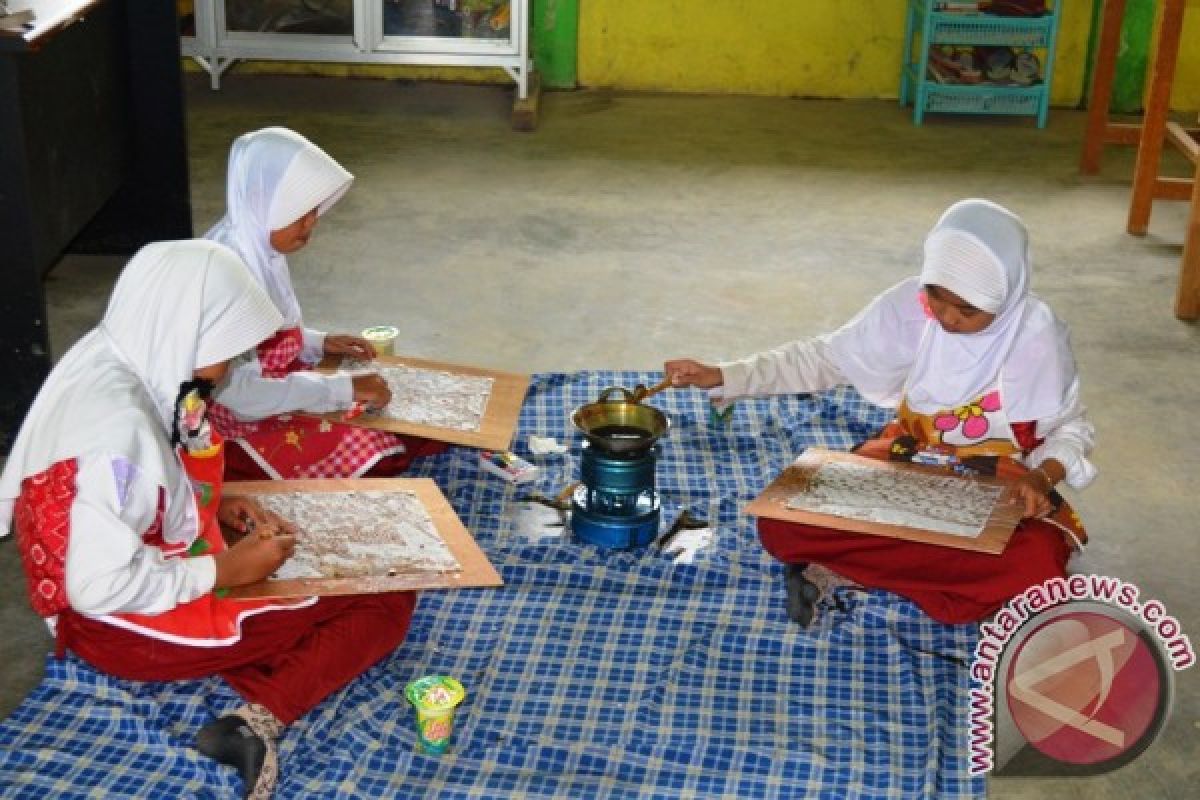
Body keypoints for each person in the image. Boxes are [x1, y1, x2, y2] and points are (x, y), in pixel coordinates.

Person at [0, 241, 418, 799]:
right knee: (385, 593)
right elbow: (94, 587)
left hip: (151, 564)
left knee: (319, 584)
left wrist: (211, 504)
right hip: (117, 626)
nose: (225, 372)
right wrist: (223, 570)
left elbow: (146, 486)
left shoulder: (120, 359)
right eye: (225, 352)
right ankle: (253, 723)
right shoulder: (115, 441)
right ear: (187, 334)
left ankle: (257, 657)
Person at [664, 198, 1093, 626]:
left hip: (997, 488)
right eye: (937, 298)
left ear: (1009, 295)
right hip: (906, 463)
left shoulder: (1036, 339)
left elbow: (1069, 430)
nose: (947, 318)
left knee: (1036, 566)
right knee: (781, 523)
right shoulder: (910, 310)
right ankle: (937, 581)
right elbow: (824, 359)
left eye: (967, 310)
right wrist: (724, 375)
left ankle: (861, 570)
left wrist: (1043, 476)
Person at [205, 126, 443, 481]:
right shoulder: (230, 275)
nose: (311, 223)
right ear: (262, 204)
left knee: (406, 421)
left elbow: (273, 333)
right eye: (299, 213)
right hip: (237, 425)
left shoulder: (260, 250)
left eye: (314, 210)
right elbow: (241, 396)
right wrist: (342, 389)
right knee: (376, 450)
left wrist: (317, 342)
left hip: (273, 392)